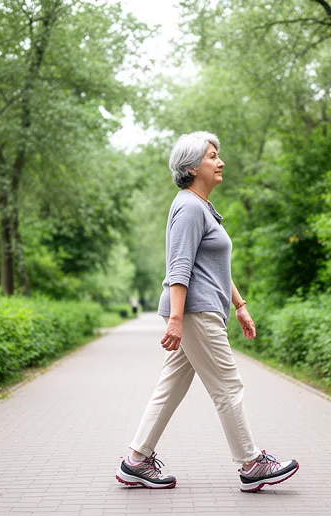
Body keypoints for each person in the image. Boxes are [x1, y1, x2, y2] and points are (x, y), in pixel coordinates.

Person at [115, 131, 299, 492]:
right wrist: (175, 320)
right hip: (196, 312)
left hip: (200, 310)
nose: (221, 161)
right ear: (191, 166)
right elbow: (179, 266)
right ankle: (251, 463)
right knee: (228, 386)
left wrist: (240, 306)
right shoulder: (188, 206)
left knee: (170, 386)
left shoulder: (201, 207)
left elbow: (214, 268)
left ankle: (136, 461)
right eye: (213, 156)